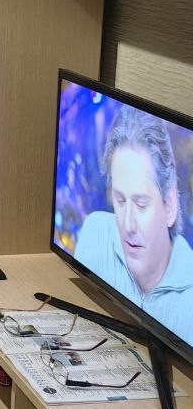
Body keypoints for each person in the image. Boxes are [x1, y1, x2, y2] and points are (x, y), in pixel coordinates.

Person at [75, 106, 193, 342]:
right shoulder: (94, 234)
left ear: (170, 205)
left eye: (141, 204)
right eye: (120, 201)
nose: (128, 225)